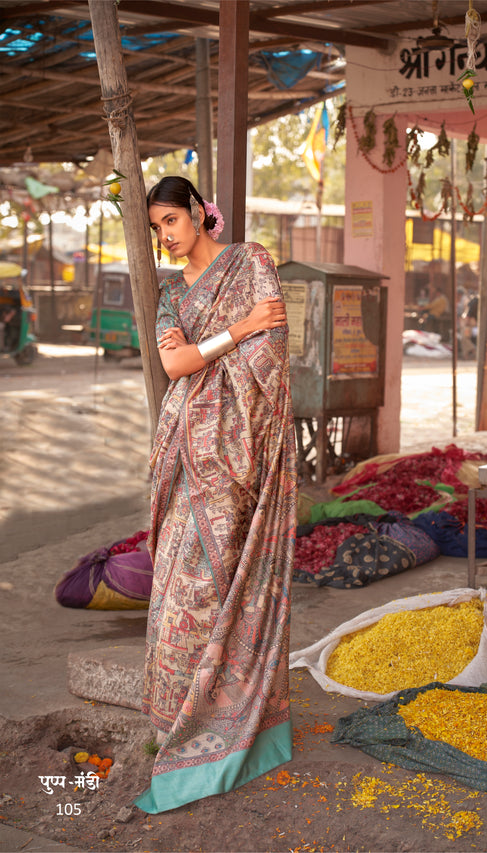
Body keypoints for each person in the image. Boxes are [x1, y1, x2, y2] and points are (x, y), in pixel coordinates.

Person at [135, 176, 297, 814]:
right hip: (184, 451)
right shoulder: (171, 293)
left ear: (201, 214)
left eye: (172, 221)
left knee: (229, 579)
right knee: (179, 588)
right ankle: (177, 725)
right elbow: (174, 367)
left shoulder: (252, 261)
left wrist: (211, 346)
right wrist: (239, 328)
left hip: (239, 454)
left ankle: (238, 731)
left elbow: (273, 352)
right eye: (157, 228)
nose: (166, 237)